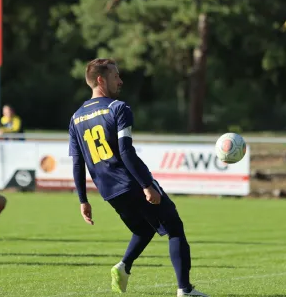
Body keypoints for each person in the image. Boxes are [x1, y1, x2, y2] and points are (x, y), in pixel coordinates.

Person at [68, 58, 209, 297]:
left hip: (109, 191)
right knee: (174, 227)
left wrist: (83, 200)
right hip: (131, 182)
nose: (120, 80)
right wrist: (146, 184)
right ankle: (185, 290)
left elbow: (77, 162)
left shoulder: (76, 118)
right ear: (101, 80)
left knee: (145, 229)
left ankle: (123, 266)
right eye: (116, 76)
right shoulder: (118, 108)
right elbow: (126, 152)